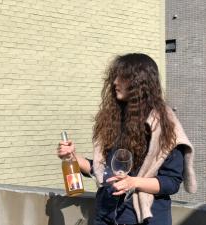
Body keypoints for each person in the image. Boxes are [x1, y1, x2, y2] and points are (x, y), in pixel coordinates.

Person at [57, 53, 197, 225]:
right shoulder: (115, 120)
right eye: (114, 76)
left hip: (143, 219)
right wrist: (72, 157)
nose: (115, 82)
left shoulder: (163, 124)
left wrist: (134, 182)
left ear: (139, 82)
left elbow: (171, 182)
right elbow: (102, 170)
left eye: (122, 77)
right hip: (106, 215)